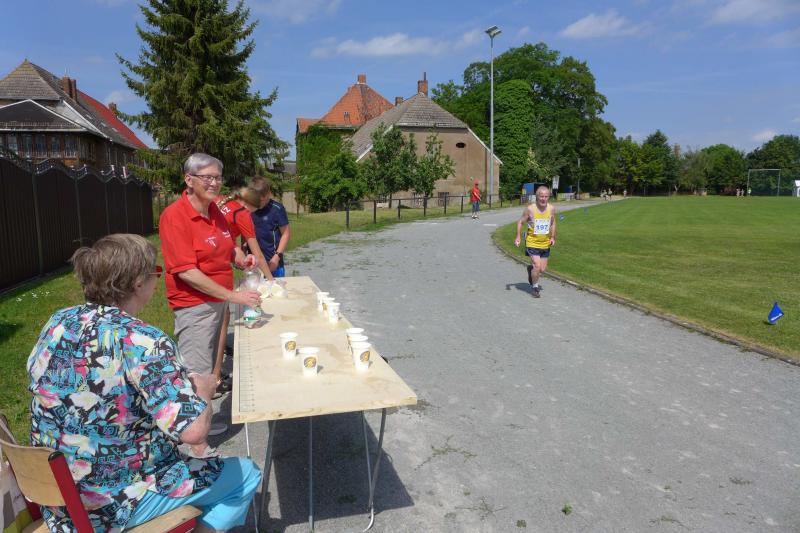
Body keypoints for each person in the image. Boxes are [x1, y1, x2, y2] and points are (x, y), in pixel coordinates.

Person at [27, 234, 261, 532]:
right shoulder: (143, 341)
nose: (157, 280)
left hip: (58, 495)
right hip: (111, 503)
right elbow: (193, 432)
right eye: (156, 272)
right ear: (139, 283)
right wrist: (202, 390)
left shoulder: (58, 322)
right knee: (245, 475)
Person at [159, 153, 261, 435]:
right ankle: (195, 444)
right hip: (195, 306)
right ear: (189, 180)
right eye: (208, 177)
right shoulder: (175, 216)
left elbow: (228, 245)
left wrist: (240, 259)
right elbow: (186, 272)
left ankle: (203, 425)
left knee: (212, 371)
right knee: (197, 376)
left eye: (218, 177)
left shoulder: (214, 210)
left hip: (218, 302)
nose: (214, 183)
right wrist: (234, 296)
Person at [212, 186, 274, 396]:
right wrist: (271, 280)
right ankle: (215, 378)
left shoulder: (220, 201)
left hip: (207, 265)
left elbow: (231, 243)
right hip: (217, 271)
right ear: (252, 206)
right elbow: (257, 252)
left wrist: (240, 260)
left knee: (213, 322)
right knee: (222, 319)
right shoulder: (243, 213)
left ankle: (212, 371)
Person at [514, 185, 557, 298]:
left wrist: (553, 237)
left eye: (546, 196)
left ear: (548, 197)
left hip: (545, 243)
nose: (543, 199)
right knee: (537, 266)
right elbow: (520, 222)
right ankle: (535, 288)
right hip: (532, 242)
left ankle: (531, 270)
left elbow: (553, 222)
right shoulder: (530, 209)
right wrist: (518, 237)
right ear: (537, 197)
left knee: (542, 269)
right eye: (541, 196)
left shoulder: (551, 209)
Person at [250, 176, 290, 277]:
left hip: (273, 263)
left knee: (275, 287)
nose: (259, 203)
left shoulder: (277, 209)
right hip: (254, 264)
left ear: (268, 194)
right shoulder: (249, 209)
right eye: (256, 200)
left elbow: (286, 234)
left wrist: (277, 256)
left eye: (262, 200)